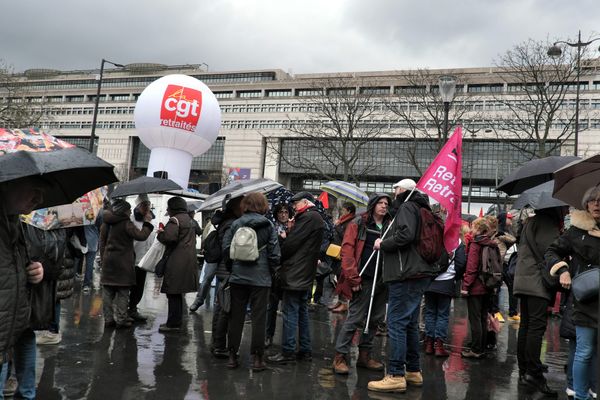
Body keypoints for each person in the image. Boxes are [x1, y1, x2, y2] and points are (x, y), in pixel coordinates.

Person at [368, 185, 435, 393]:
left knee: (396, 323)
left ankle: (396, 374)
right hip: (418, 272)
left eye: (396, 188)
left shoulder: (407, 207)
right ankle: (413, 371)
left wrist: (383, 243)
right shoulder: (423, 208)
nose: (393, 192)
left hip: (405, 273)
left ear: (403, 190)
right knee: (410, 324)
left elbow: (405, 235)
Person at [545, 187, 600, 400]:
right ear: (586, 204)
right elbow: (552, 251)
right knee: (584, 351)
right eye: (593, 200)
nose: (597, 204)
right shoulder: (576, 231)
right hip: (585, 300)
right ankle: (579, 395)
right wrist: (563, 270)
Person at [332, 194, 391, 375]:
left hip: (382, 280)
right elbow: (347, 251)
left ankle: (365, 356)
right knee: (355, 318)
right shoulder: (358, 224)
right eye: (380, 203)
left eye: (386, 203)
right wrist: (353, 277)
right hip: (362, 279)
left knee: (374, 320)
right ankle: (340, 356)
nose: (383, 206)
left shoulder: (390, 226)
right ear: (373, 205)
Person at [222, 192, 281, 371]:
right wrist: (271, 271)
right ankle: (257, 359)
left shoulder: (235, 224)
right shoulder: (268, 225)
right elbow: (274, 254)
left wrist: (233, 269)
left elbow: (226, 249)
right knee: (259, 319)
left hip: (238, 277)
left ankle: (232, 356)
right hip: (261, 279)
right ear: (263, 205)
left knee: (236, 317)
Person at [513, 206, 566, 397]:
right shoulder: (547, 223)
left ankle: (524, 372)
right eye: (565, 207)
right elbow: (551, 252)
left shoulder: (531, 221)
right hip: (536, 282)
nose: (567, 210)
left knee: (526, 326)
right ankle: (534, 375)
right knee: (536, 327)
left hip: (524, 279)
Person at [0, 176, 46, 398]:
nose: (39, 198)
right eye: (33, 189)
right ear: (8, 183)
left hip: (8, 335)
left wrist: (33, 271)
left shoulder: (14, 224)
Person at [268, 191, 324, 364]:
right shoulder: (314, 218)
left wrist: (285, 239)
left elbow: (292, 244)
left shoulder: (308, 218)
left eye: (295, 204)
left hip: (295, 273)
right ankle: (304, 350)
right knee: (301, 312)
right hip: (304, 272)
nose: (293, 207)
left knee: (290, 312)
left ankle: (288, 351)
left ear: (305, 202)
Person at [99, 199, 153, 329]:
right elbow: (140, 236)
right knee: (123, 291)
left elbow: (102, 242)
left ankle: (108, 319)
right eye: (128, 210)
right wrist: (147, 223)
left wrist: (103, 258)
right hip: (123, 262)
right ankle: (122, 319)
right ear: (124, 211)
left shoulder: (106, 223)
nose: (130, 212)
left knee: (107, 291)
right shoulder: (126, 223)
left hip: (109, 261)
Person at [157, 196, 199, 333]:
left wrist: (160, 234)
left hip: (176, 261)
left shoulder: (175, 220)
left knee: (173, 292)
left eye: (168, 207)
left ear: (173, 208)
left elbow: (170, 238)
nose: (167, 210)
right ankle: (177, 322)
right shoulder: (189, 220)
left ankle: (173, 324)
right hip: (189, 260)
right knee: (178, 293)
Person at [424, 229, 467, 358]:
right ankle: (439, 346)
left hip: (430, 282)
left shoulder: (433, 240)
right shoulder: (457, 243)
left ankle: (429, 344)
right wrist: (455, 276)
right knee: (443, 314)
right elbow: (460, 264)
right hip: (447, 282)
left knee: (430, 313)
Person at [460, 218, 498, 359]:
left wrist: (466, 286)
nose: (471, 229)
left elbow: (471, 268)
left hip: (476, 286)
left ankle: (475, 350)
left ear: (478, 229)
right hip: (488, 285)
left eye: (473, 227)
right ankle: (481, 347)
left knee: (475, 318)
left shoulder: (476, 244)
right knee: (482, 317)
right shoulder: (492, 244)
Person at [210, 197, 243, 357]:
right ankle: (219, 345)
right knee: (225, 308)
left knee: (221, 307)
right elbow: (228, 249)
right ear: (236, 208)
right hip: (227, 270)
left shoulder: (226, 222)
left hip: (223, 269)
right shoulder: (231, 224)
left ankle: (216, 342)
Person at [265, 203, 290, 348]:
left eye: (286, 212)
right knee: (271, 306)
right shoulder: (271, 227)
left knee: (287, 307)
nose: (283, 214)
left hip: (287, 270)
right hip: (274, 270)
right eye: (280, 212)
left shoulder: (293, 227)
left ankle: (287, 341)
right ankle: (268, 335)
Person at [129, 194, 156, 322]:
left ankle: (133, 309)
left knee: (139, 287)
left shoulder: (150, 220)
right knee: (129, 286)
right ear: (138, 206)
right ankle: (125, 310)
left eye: (148, 205)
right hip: (132, 260)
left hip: (144, 260)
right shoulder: (131, 220)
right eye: (144, 205)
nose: (147, 208)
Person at [329, 202, 356, 313]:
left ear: (348, 211)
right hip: (337, 254)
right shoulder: (343, 220)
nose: (341, 212)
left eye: (343, 210)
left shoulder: (351, 222)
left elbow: (346, 236)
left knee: (343, 279)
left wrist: (337, 227)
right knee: (339, 278)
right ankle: (340, 301)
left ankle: (344, 303)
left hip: (344, 254)